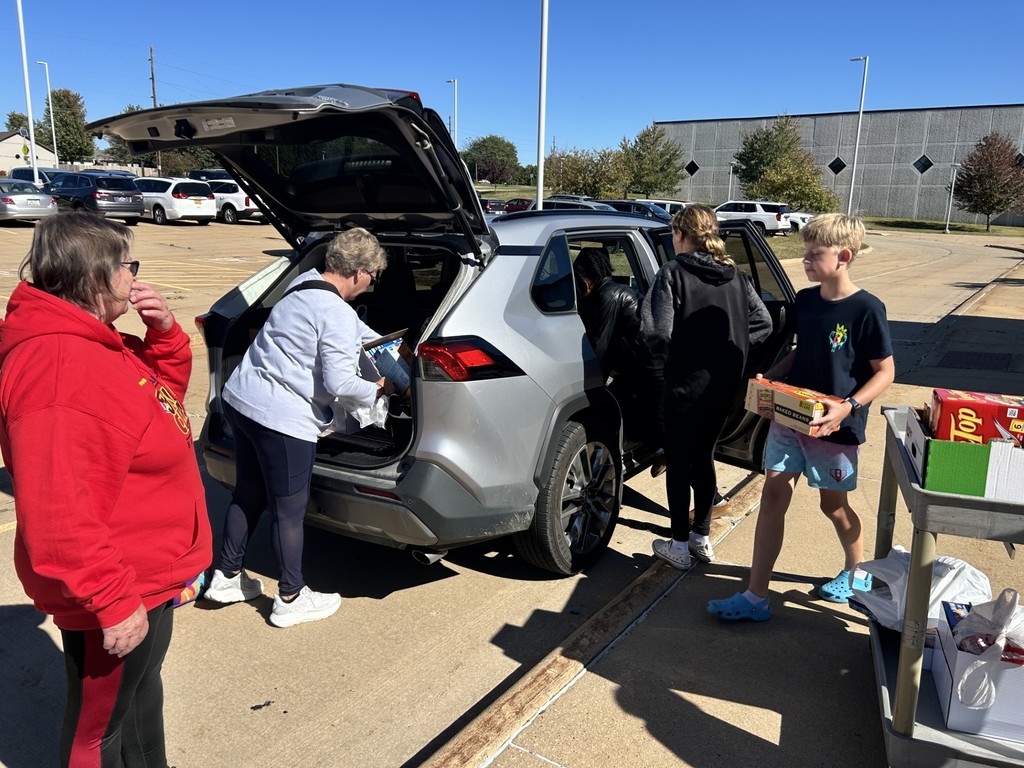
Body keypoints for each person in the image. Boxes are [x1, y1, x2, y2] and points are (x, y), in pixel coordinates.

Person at [0, 212, 212, 767]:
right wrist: (111, 599)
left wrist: (164, 335)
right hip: (119, 579)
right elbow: (58, 509)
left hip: (147, 567)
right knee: (99, 732)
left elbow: (156, 405)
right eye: (127, 265)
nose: (135, 276)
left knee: (140, 697)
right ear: (93, 274)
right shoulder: (58, 365)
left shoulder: (95, 340)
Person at [203, 227, 395, 627]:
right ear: (360, 272)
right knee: (289, 511)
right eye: (373, 279)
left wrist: (396, 346)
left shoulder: (304, 285)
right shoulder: (338, 312)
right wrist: (379, 388)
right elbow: (342, 383)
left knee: (248, 492)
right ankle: (291, 597)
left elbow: (358, 335)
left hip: (242, 401)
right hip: (281, 419)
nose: (371, 287)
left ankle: (226, 577)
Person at [707, 213, 895, 622]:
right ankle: (756, 596)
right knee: (773, 496)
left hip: (835, 428)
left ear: (843, 256)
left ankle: (855, 570)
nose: (806, 260)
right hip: (792, 419)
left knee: (834, 507)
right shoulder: (806, 302)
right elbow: (803, 352)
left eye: (815, 254)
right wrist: (772, 377)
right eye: (805, 252)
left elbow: (885, 371)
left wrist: (848, 406)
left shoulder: (867, 308)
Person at [642, 204, 772, 570]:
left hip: (684, 385)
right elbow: (762, 322)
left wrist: (669, 361)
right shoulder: (737, 276)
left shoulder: (672, 274)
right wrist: (733, 350)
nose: (672, 239)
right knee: (704, 456)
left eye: (673, 233)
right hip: (723, 387)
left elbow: (654, 332)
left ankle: (679, 546)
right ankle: (702, 538)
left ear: (682, 235)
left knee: (679, 462)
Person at [573, 247, 664, 448]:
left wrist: (587, 390)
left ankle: (662, 453)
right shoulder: (608, 292)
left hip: (650, 367)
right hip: (638, 365)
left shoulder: (609, 295)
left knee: (654, 431)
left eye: (577, 282)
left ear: (586, 281)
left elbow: (600, 346)